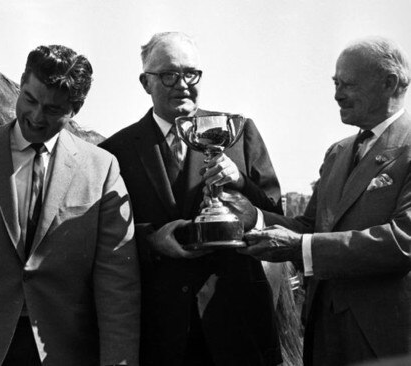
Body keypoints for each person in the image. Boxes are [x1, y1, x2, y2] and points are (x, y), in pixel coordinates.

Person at [0, 44, 140, 366]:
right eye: (29, 99)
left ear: (76, 108)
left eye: (52, 110)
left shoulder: (102, 169)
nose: (35, 116)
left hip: (65, 351)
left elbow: (118, 282)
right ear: (21, 83)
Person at [221, 37, 411, 365]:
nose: (337, 94)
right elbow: (310, 227)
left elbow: (403, 240)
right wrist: (254, 216)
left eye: (347, 84)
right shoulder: (337, 153)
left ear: (389, 83)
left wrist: (302, 248)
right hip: (325, 335)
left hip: (388, 343)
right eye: (335, 83)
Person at [99, 32, 283, 365]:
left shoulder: (239, 132)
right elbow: (103, 235)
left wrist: (239, 181)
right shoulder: (114, 153)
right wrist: (151, 240)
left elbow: (275, 215)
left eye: (191, 74)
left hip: (237, 326)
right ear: (145, 82)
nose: (182, 84)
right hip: (158, 332)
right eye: (169, 75)